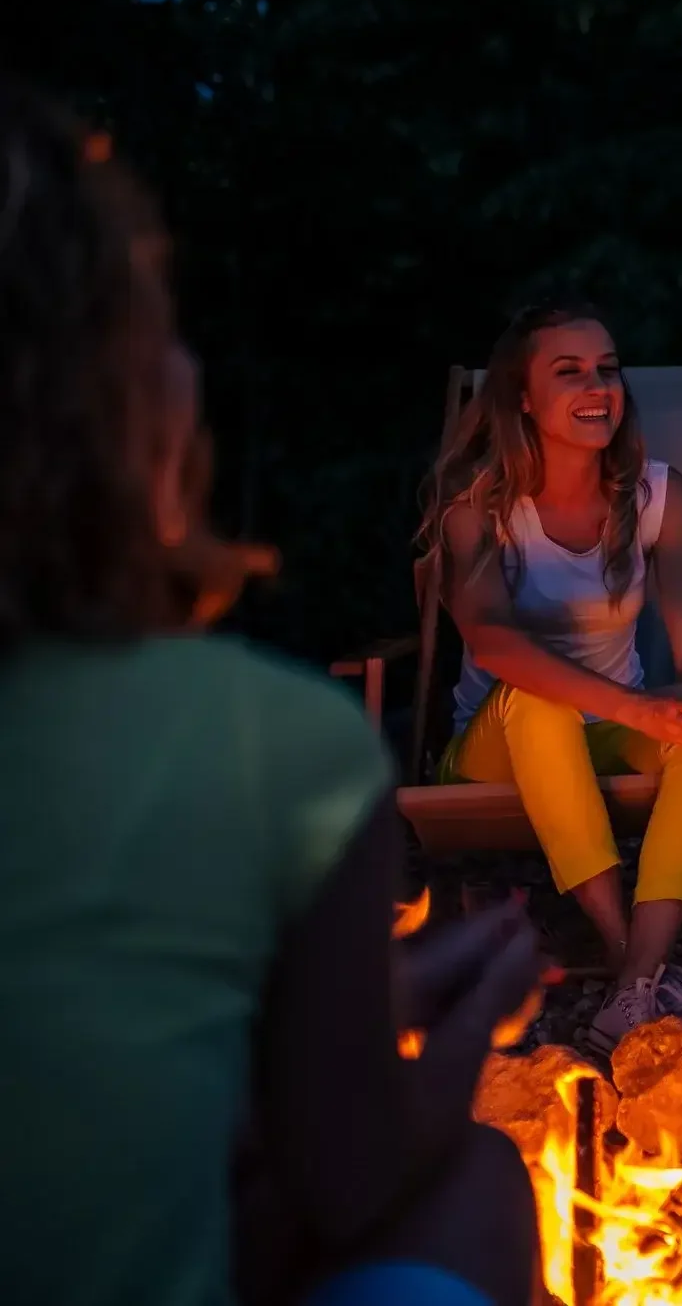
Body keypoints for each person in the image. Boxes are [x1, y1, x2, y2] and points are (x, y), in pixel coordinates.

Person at [0, 78, 541, 1306]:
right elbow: (351, 1174)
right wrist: (470, 1019)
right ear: (116, 403)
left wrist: (380, 993)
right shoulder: (265, 745)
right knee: (477, 1180)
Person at [419, 303, 682, 1054]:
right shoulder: (476, 508)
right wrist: (639, 710)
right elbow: (495, 644)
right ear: (522, 398)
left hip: (612, 727)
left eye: (607, 369)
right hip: (495, 746)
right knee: (539, 700)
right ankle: (628, 959)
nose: (598, 386)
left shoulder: (657, 496)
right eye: (569, 371)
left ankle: (631, 990)